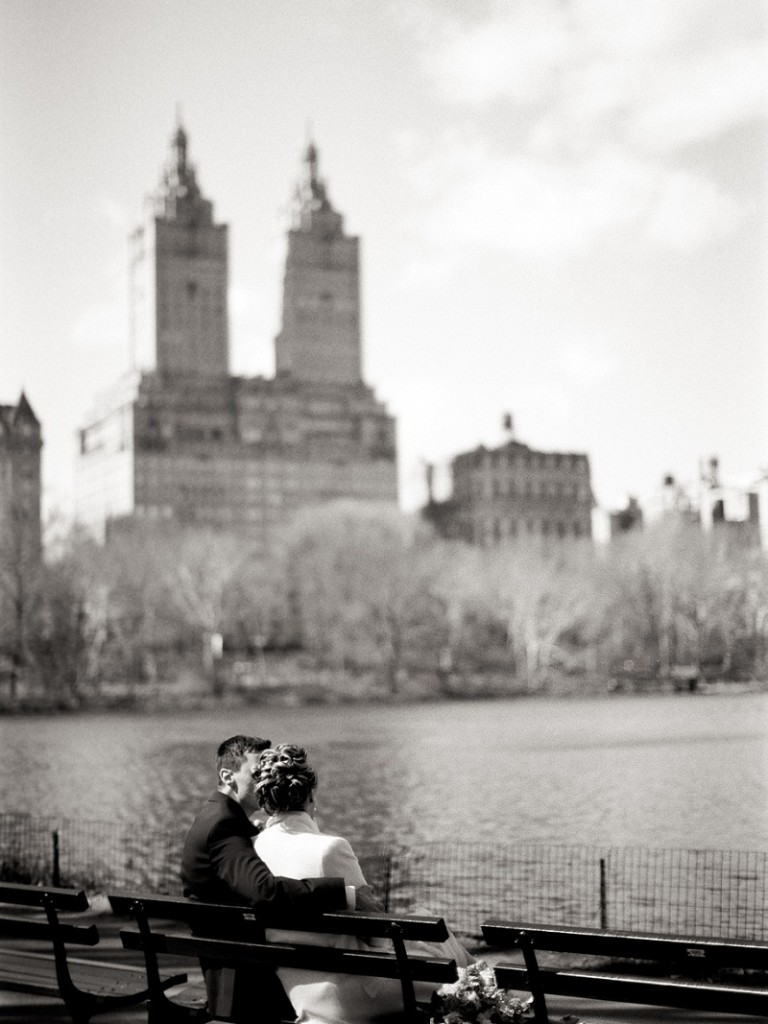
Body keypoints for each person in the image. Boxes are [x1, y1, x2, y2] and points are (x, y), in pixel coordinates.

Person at [253, 743, 473, 1024]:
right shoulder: (331, 848)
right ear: (311, 795)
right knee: (435, 932)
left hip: (299, 990)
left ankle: (480, 983)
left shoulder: (252, 850)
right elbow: (377, 934)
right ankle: (486, 988)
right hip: (355, 993)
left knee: (435, 940)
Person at [181, 734, 381, 1024]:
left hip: (233, 957)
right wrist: (345, 893)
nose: (264, 777)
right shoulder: (225, 826)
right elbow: (266, 892)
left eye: (266, 771)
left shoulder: (221, 819)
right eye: (256, 772)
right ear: (227, 775)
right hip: (242, 977)